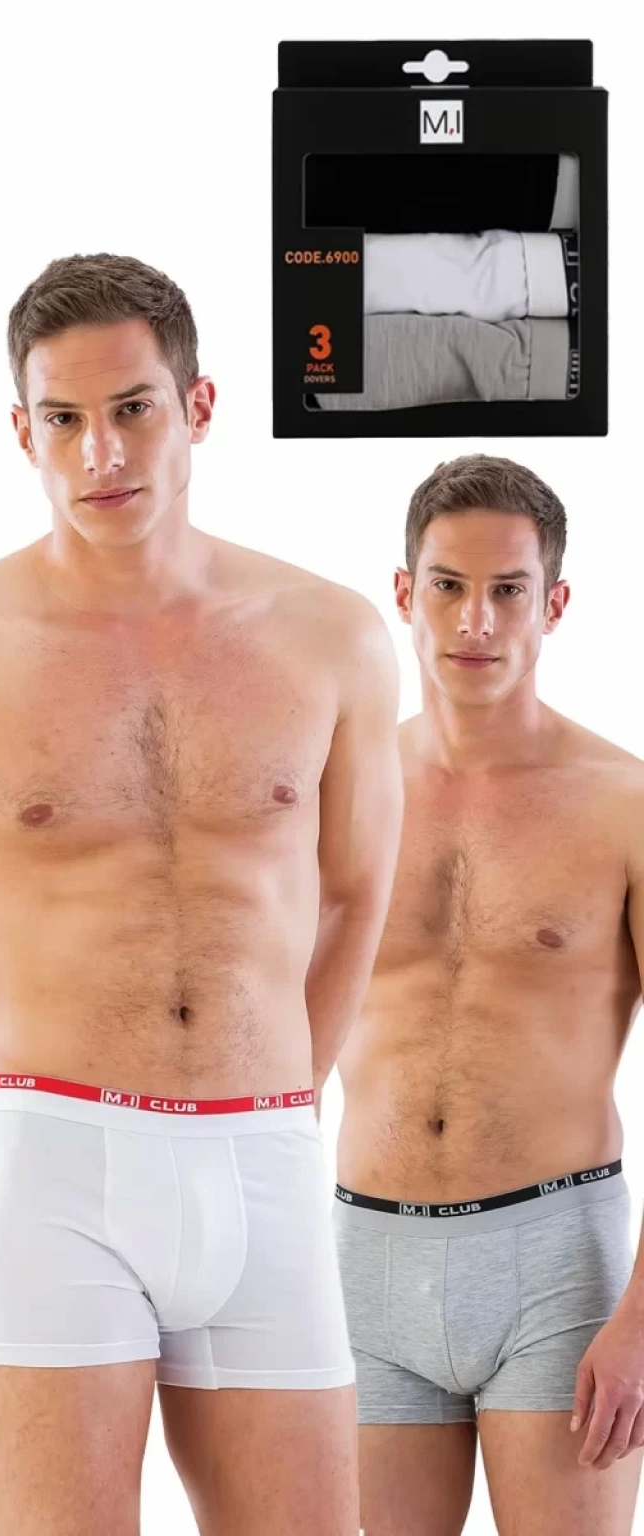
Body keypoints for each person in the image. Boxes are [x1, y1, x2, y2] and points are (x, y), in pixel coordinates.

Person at [0, 253, 403, 1536]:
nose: (100, 453)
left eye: (132, 408)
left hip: (264, 1162)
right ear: (22, 432)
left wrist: (292, 1097)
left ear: (198, 406)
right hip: (52, 1169)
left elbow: (357, 891)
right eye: (63, 420)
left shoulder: (333, 635)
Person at [334, 454, 644, 1536]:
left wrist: (642, 1321)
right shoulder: (340, 793)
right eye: (448, 586)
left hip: (556, 1265)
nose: (475, 620)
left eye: (509, 590)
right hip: (366, 1258)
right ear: (403, 592)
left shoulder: (622, 805)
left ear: (553, 604)